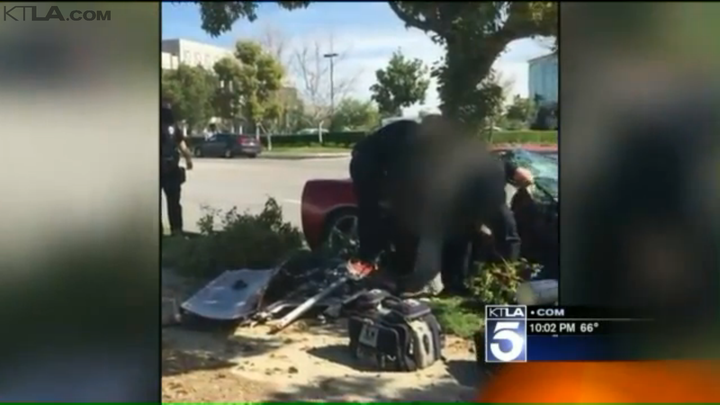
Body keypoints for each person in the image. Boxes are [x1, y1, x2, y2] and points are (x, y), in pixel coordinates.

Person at [161, 102, 193, 236]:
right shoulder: (174, 128)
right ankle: (177, 230)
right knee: (174, 203)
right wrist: (188, 160)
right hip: (172, 168)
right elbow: (182, 146)